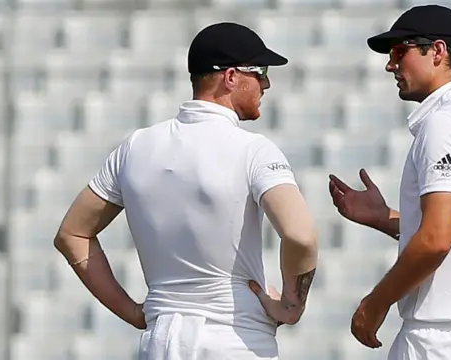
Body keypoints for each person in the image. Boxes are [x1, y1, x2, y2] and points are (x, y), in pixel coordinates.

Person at [54, 22, 318, 360]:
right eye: (260, 71)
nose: (266, 83)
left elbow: (72, 234)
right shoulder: (253, 149)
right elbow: (302, 236)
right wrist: (290, 306)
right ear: (231, 77)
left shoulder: (135, 147)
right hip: (235, 339)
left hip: (161, 341)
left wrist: (133, 311)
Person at [328, 5, 451, 360]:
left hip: (442, 340)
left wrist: (375, 303)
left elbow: (437, 240)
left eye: (400, 51)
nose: (390, 65)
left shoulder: (443, 125)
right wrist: (384, 217)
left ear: (438, 52)